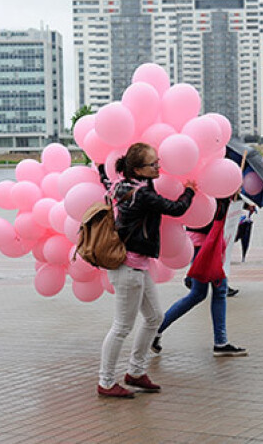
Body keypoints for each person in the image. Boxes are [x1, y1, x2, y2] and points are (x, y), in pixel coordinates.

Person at [98, 142, 195, 399]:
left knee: (154, 318)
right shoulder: (142, 195)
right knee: (121, 327)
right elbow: (176, 209)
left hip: (136, 267)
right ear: (139, 169)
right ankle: (106, 382)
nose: (159, 166)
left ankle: (136, 372)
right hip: (128, 268)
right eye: (154, 164)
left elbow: (106, 176)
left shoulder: (125, 184)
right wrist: (189, 191)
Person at [152, 198, 248, 358]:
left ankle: (156, 330)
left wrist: (240, 204)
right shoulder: (214, 191)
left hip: (205, 242)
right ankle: (220, 342)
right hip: (207, 244)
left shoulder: (211, 188)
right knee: (217, 291)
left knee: (200, 293)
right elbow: (212, 214)